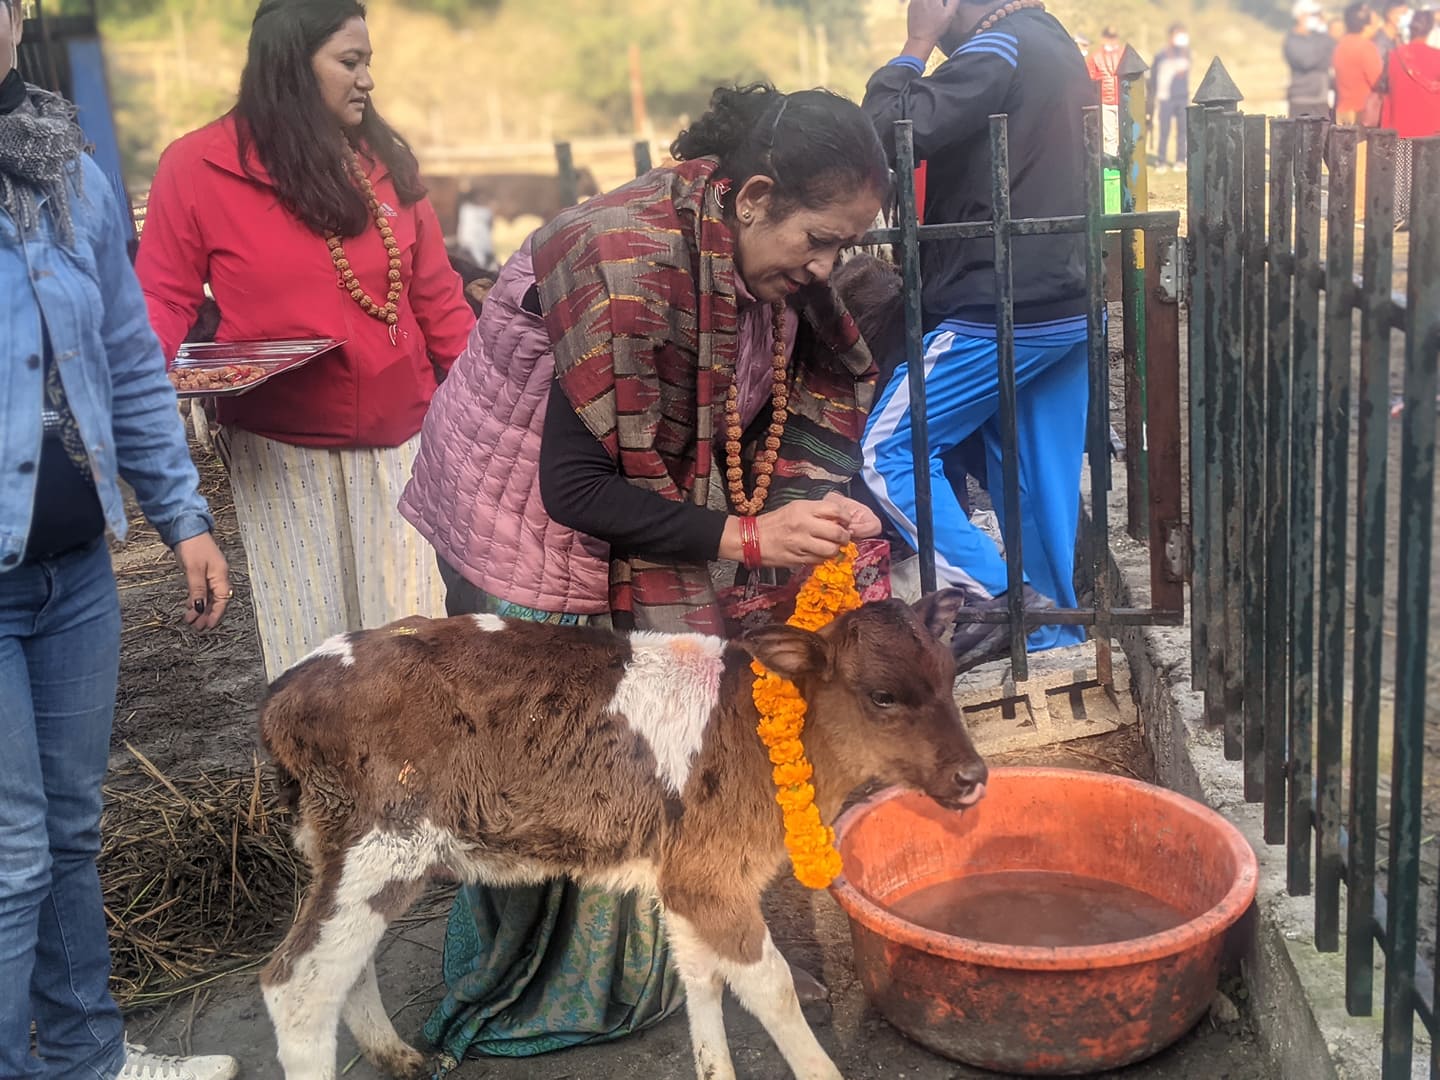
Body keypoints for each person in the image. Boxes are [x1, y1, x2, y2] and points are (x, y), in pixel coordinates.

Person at [398, 83, 888, 1064]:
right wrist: (749, 539)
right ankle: (536, 990)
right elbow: (578, 490)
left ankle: (649, 955)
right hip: (529, 531)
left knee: (649, 757)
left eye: (846, 246)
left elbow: (740, 423)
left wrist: (804, 508)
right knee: (576, 770)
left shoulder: (748, 269)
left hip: (640, 509)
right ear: (752, 200)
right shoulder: (627, 277)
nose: (830, 269)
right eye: (820, 241)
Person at [0, 3, 237, 1079]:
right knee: (9, 857)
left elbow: (133, 362)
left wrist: (181, 514)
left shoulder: (73, 183)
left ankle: (87, 1060)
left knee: (71, 833)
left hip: (76, 574)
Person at [136, 0, 474, 682]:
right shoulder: (196, 167)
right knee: (313, 656)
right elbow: (159, 301)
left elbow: (440, 302)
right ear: (291, 65)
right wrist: (139, 404)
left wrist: (493, 420)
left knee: (409, 656)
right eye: (350, 62)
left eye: (368, 63)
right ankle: (319, 789)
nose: (367, 80)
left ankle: (411, 789)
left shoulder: (385, 164)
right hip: (281, 454)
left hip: (404, 447)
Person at [859, 0, 1091, 654]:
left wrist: (914, 44)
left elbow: (882, 136)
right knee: (1032, 485)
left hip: (1004, 304)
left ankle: (1005, 607)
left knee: (887, 451)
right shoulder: (1052, 41)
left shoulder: (998, 49)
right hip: (1065, 299)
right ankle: (1053, 640)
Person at [1381, 6, 1440, 228]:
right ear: (1430, 29)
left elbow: (1386, 87)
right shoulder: (1437, 56)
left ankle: (1400, 214)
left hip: (1401, 122)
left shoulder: (1395, 55)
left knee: (1402, 173)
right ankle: (1426, 213)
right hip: (1432, 127)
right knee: (1429, 172)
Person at [1334, 2, 1385, 196]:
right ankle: (1359, 210)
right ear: (1366, 24)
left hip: (1343, 108)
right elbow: (1378, 79)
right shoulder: (1366, 47)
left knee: (1346, 162)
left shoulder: (1343, 44)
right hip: (1362, 111)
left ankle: (1346, 204)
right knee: (1362, 164)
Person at [1150, 22, 1192, 170]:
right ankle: (1161, 161)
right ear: (1171, 36)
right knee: (1164, 131)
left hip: (1182, 97)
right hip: (1166, 98)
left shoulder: (1187, 53)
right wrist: (1155, 95)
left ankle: (1181, 160)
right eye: (1178, 34)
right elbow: (1154, 77)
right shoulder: (1161, 55)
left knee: (1182, 131)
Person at [1287, 0, 1338, 118]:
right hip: (1301, 100)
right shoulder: (1292, 41)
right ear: (1300, 16)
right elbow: (1307, 61)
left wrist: (1323, 33)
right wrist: (1323, 35)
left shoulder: (1319, 38)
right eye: (1314, 15)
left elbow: (1332, 55)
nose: (1318, 19)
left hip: (1320, 99)